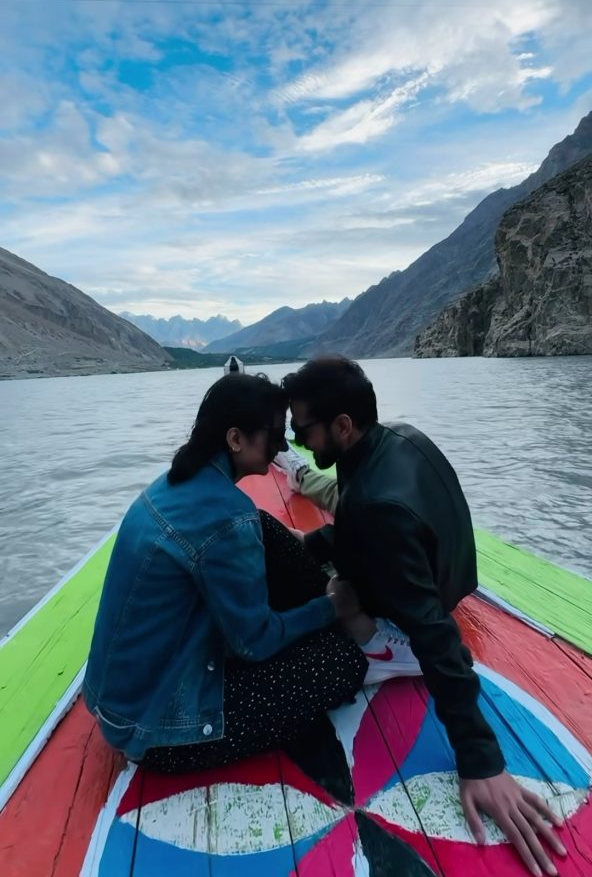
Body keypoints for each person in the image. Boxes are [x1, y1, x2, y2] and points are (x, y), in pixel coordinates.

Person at [279, 356, 566, 877]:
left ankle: (391, 652)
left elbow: (438, 634)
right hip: (448, 570)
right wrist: (317, 541)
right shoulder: (397, 437)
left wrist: (482, 759)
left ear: (342, 426)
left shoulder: (374, 505)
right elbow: (359, 528)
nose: (301, 443)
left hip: (425, 609)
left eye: (303, 432)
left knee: (327, 607)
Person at [83, 372, 367, 774]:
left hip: (118, 702)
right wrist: (330, 608)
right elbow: (254, 642)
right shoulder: (227, 520)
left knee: (263, 526)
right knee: (342, 663)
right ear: (235, 439)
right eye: (273, 435)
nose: (282, 447)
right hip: (156, 729)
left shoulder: (170, 485)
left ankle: (333, 601)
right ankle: (343, 607)